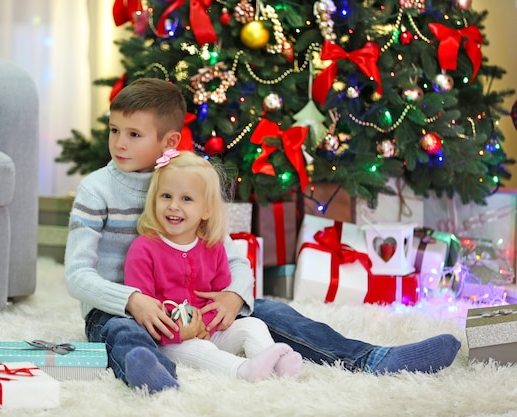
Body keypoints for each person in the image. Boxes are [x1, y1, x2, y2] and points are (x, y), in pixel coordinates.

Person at [64, 77, 461, 394]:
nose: (118, 142)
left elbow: (232, 255)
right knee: (123, 333)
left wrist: (235, 296)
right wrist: (133, 300)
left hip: (192, 303)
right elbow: (77, 275)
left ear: (169, 141)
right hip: (116, 306)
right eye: (115, 130)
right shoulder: (96, 189)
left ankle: (371, 359)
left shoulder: (189, 180)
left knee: (273, 312)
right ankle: (157, 376)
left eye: (134, 134)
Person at [123, 149, 303, 382]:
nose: (173, 206)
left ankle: (274, 366)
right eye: (166, 196)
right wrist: (180, 332)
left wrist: (207, 326)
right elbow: (144, 311)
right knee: (201, 351)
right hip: (168, 341)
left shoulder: (213, 247)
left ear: (206, 210)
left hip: (210, 332)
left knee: (253, 325)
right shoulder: (143, 249)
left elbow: (220, 297)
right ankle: (243, 370)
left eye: (186, 199)